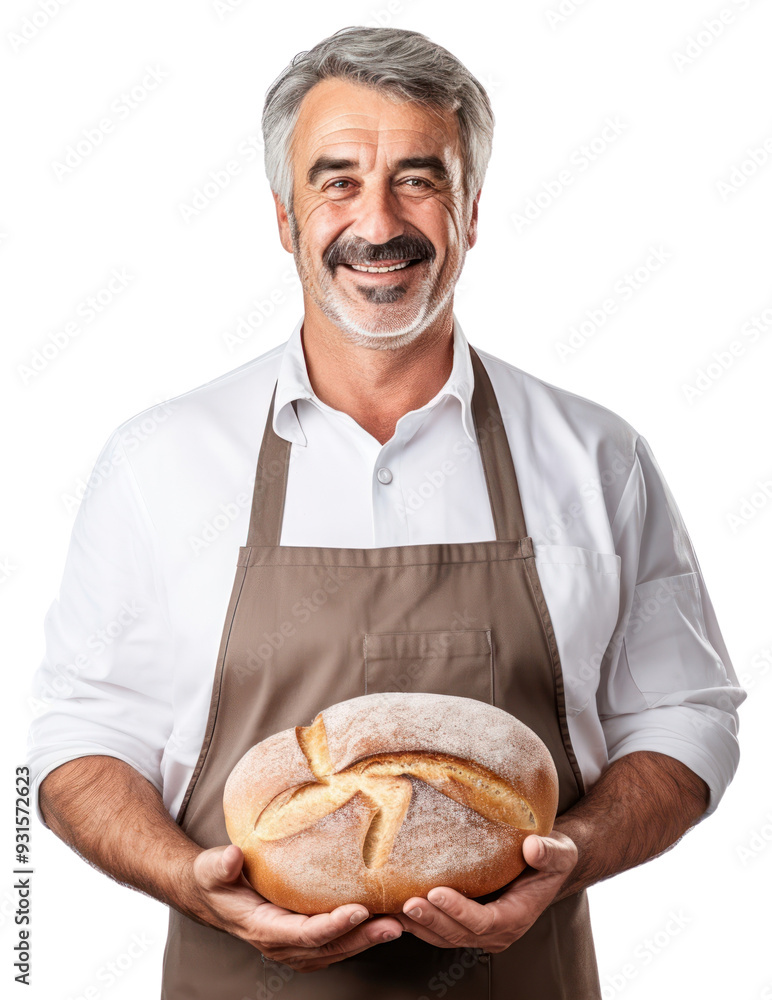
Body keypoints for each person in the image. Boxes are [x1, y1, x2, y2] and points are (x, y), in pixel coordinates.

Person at [27, 25, 745, 1000]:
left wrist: (566, 854)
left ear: (471, 212)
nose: (377, 221)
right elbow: (80, 734)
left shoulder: (595, 456)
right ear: (283, 218)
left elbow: (684, 717)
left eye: (418, 178)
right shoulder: (162, 459)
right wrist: (188, 884)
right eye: (335, 180)